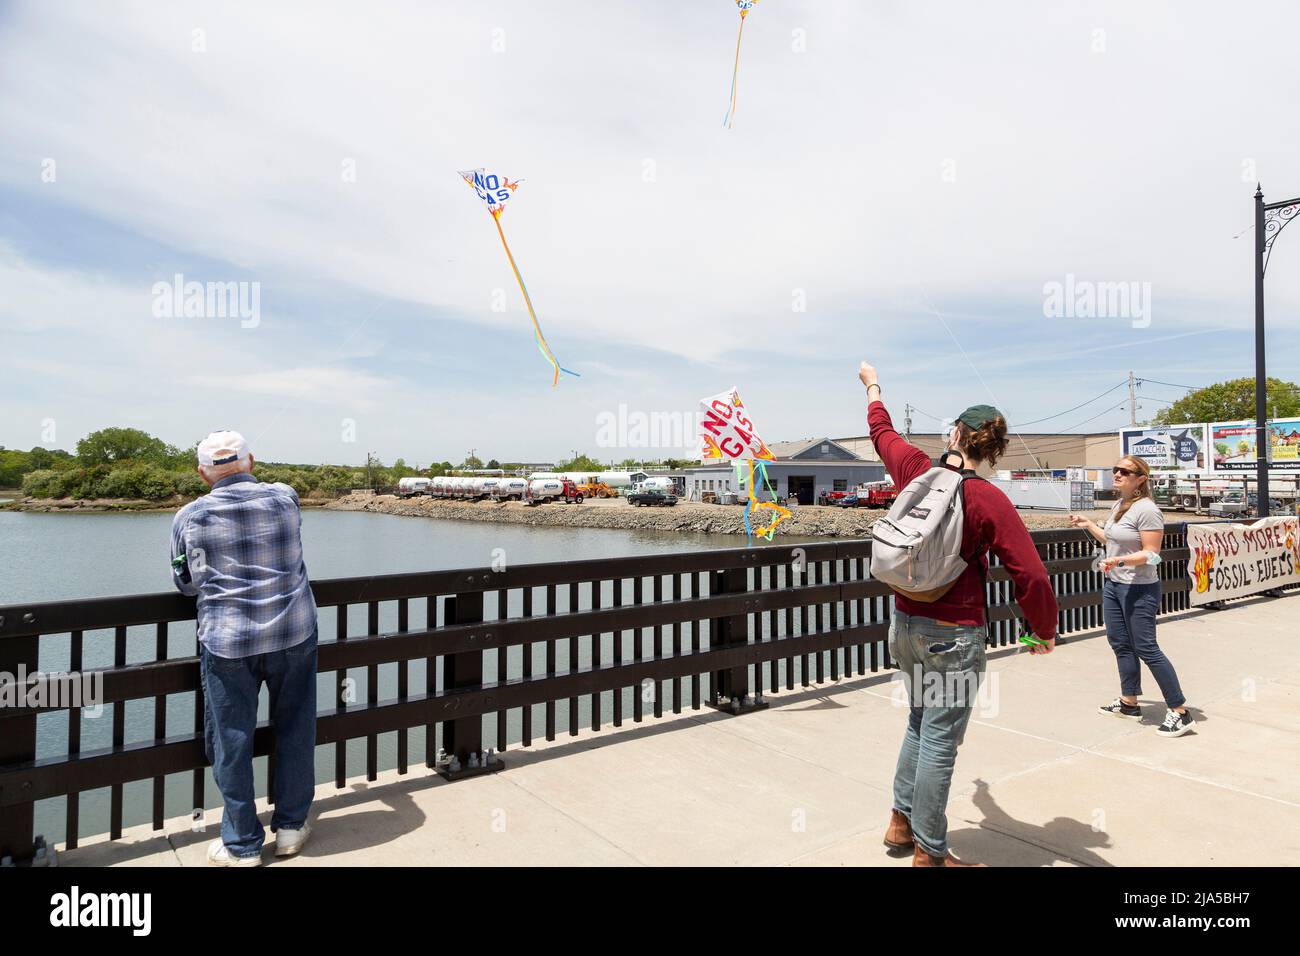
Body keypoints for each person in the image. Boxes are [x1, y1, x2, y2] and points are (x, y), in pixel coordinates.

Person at [859, 361, 1059, 867]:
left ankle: (900, 821)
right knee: (940, 739)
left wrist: (873, 386)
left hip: (904, 625)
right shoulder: (988, 499)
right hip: (953, 634)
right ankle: (930, 852)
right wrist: (1043, 630)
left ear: (954, 434)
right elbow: (1032, 577)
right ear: (993, 451)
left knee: (918, 722)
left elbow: (881, 432)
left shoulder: (915, 471)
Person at [171, 430, 319, 866]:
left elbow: (186, 583)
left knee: (231, 738)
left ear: (202, 474)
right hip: (293, 632)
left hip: (229, 641)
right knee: (296, 727)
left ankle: (242, 844)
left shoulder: (189, 516)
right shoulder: (285, 498)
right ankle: (291, 827)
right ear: (250, 461)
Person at [1069, 456, 1193, 737]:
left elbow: (1152, 554)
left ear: (1140, 479)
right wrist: (1089, 525)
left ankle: (1179, 711)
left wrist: (1120, 561)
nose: (1117, 474)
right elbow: (1111, 540)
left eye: (1125, 471)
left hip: (1139, 588)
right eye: (1116, 469)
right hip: (1114, 585)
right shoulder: (1119, 505)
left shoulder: (1147, 510)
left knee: (1146, 648)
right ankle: (1129, 703)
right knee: (1120, 643)